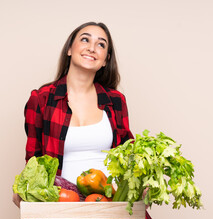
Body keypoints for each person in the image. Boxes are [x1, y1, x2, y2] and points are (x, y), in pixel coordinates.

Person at [13, 21, 133, 206]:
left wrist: (142, 187)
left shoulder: (116, 101)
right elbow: (34, 163)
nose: (92, 48)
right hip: (61, 207)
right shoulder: (42, 100)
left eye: (101, 44)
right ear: (69, 49)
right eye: (85, 40)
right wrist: (25, 191)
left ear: (106, 59)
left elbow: (129, 154)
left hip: (110, 205)